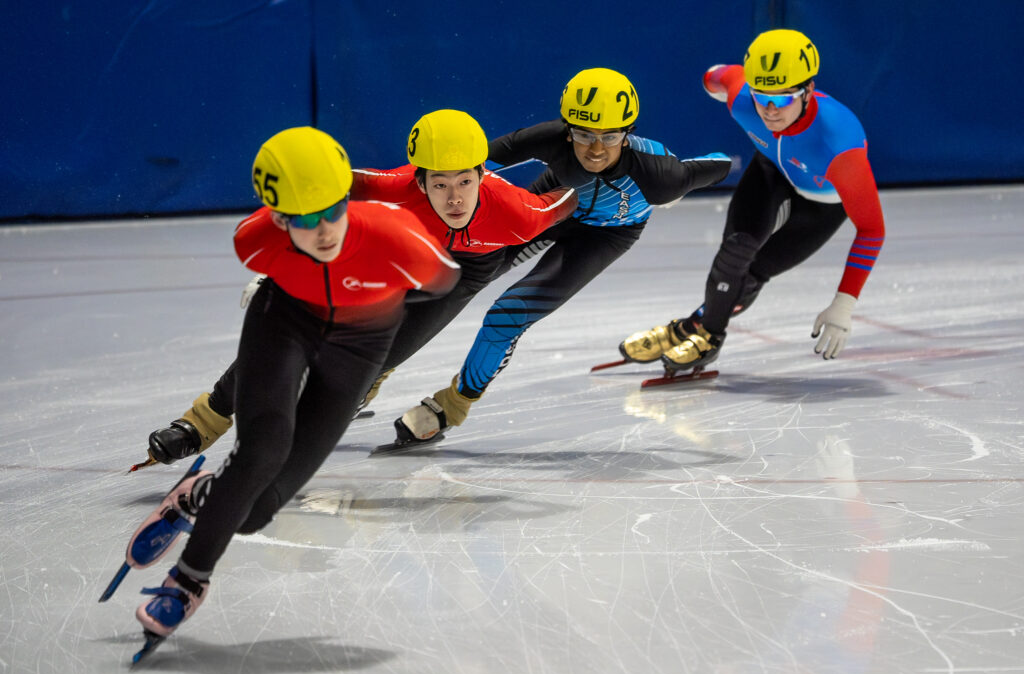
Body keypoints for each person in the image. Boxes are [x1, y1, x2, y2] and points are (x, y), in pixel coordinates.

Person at [116, 127, 460, 644]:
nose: (323, 229)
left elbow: (444, 284)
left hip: (359, 347)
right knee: (262, 450)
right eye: (303, 219)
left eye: (332, 210)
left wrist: (373, 300)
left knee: (255, 513)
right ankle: (187, 581)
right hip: (284, 324)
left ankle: (195, 499)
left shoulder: (401, 238)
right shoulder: (254, 241)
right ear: (278, 218)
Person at [140, 110, 578, 465]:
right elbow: (320, 182)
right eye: (440, 185)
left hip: (463, 272)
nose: (455, 198)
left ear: (483, 175)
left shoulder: (518, 214)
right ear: (418, 180)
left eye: (465, 181)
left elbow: (567, 198)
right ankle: (202, 422)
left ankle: (362, 384)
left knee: (381, 354)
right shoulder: (391, 190)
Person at [394, 67, 732, 446]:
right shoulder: (552, 138)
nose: (597, 149)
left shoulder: (660, 176)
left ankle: (453, 406)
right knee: (456, 275)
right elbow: (473, 160)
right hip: (552, 205)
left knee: (508, 313)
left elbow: (718, 164)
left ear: (629, 133)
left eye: (611, 136)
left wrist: (729, 165)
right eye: (584, 135)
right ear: (567, 128)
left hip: (605, 235)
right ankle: (370, 379)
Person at [618, 29, 886, 373]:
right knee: (736, 249)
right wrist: (713, 81)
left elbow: (872, 229)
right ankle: (709, 336)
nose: (771, 110)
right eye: (762, 97)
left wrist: (844, 303)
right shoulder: (742, 98)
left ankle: (690, 326)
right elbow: (715, 75)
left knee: (755, 272)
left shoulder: (839, 145)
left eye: (784, 99)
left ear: (809, 91)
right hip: (771, 172)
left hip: (822, 203)